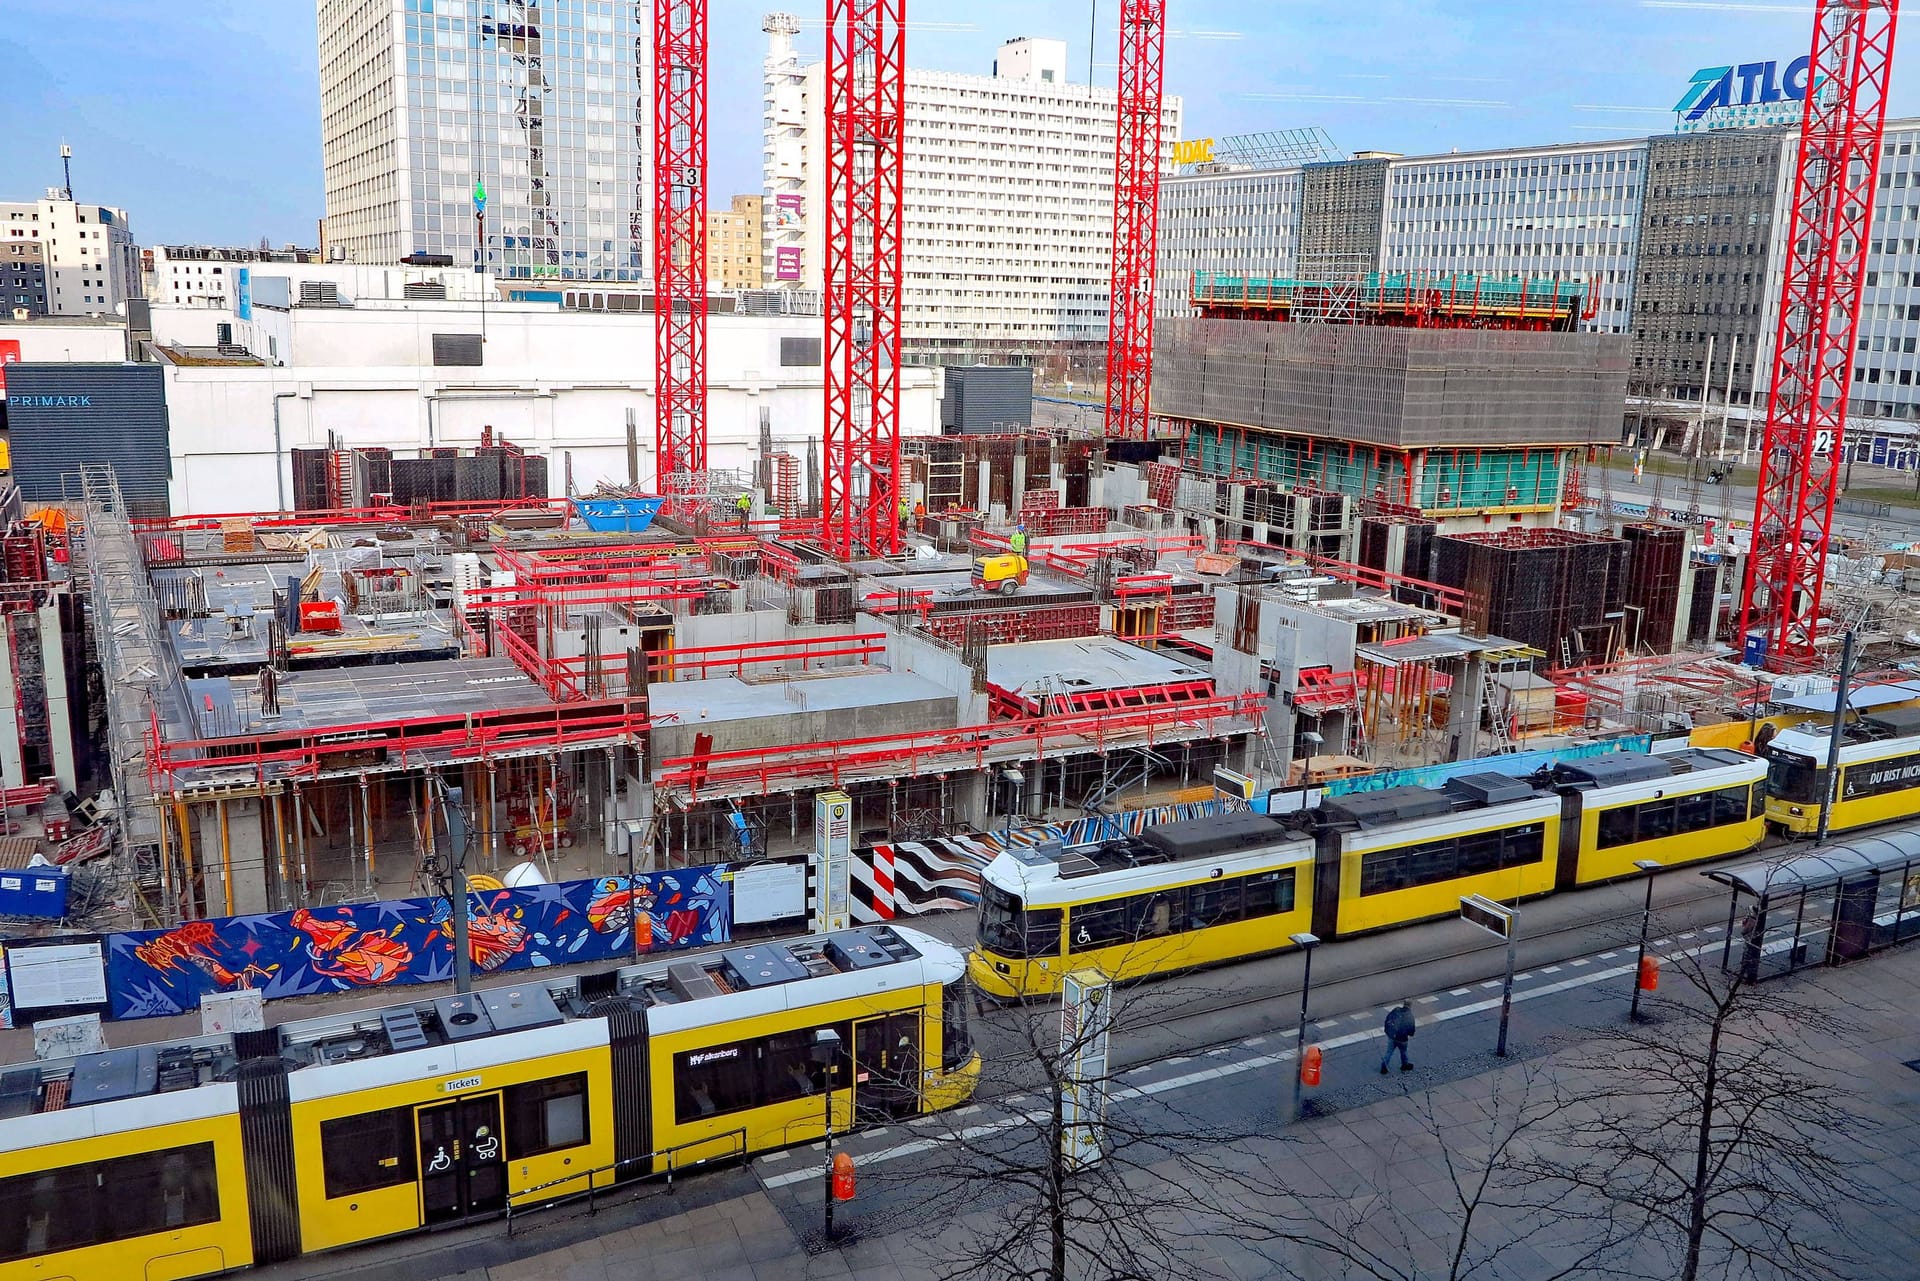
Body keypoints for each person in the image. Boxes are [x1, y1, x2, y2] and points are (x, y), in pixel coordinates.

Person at [1379, 1000, 1415, 1074]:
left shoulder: (1396, 1010)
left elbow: (1388, 1019)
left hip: (1392, 1037)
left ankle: (1384, 1067)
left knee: (1389, 1052)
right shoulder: (1409, 1015)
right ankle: (1404, 1065)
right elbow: (1411, 1031)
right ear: (1410, 1006)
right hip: (1402, 1039)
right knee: (1403, 1052)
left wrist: (1389, 1032)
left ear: (1404, 1004)